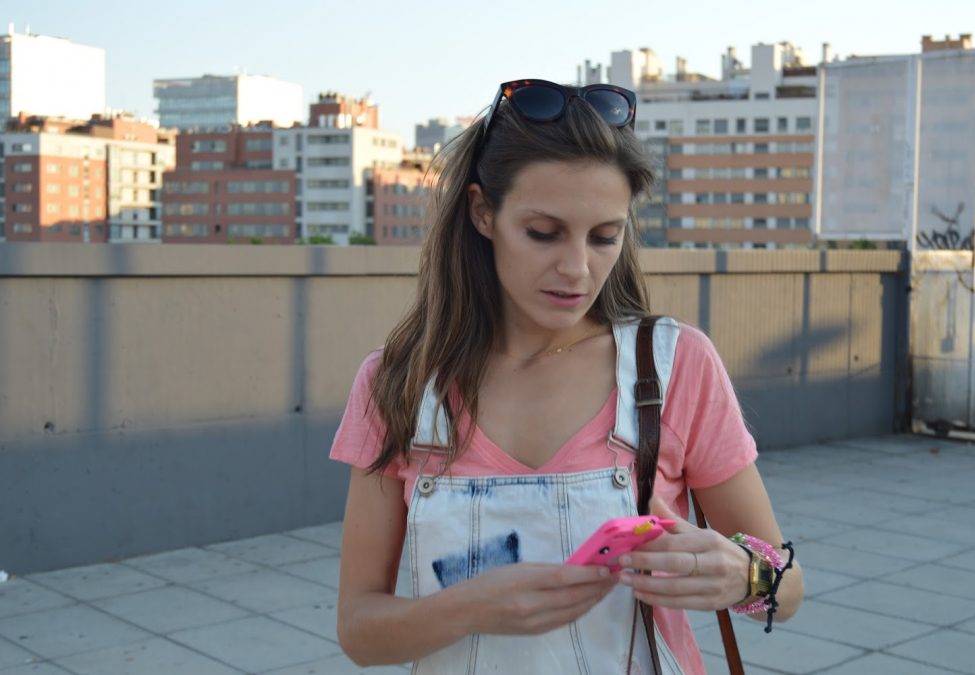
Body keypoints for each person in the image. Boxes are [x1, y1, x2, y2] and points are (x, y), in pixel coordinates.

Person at [330, 78, 803, 674]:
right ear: (482, 212)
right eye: (543, 233)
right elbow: (358, 632)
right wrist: (467, 608)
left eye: (605, 236)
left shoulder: (673, 367)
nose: (577, 268)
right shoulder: (397, 382)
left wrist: (745, 575)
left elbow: (786, 589)